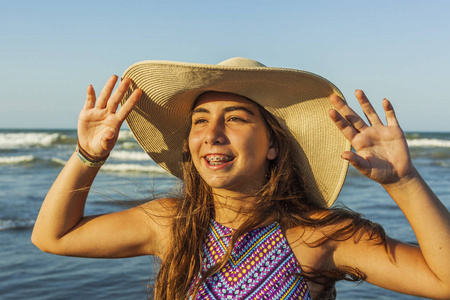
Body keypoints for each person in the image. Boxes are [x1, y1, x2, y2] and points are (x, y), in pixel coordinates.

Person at [32, 57, 450, 300]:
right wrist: (88, 155)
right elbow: (54, 237)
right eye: (200, 121)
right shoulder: (172, 225)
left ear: (273, 144)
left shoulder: (319, 236)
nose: (212, 134)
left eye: (234, 118)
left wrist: (404, 181)